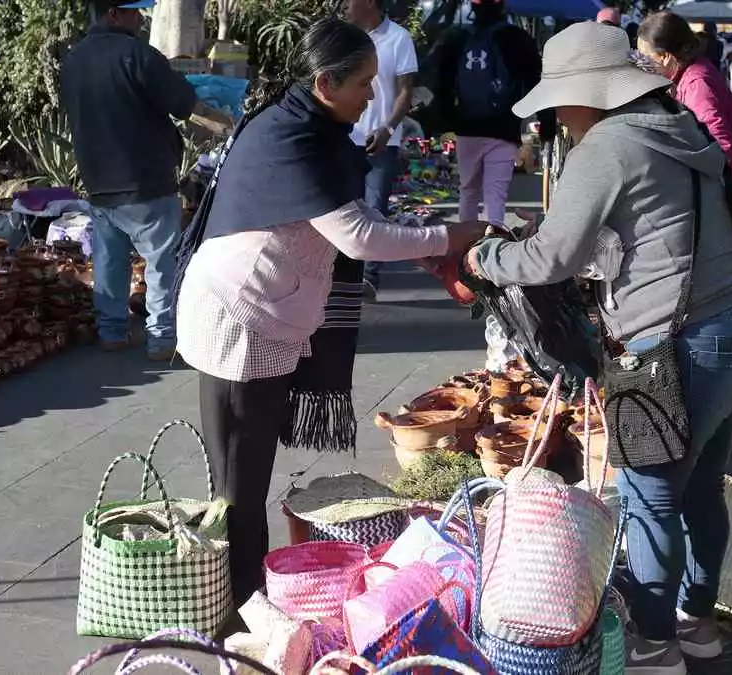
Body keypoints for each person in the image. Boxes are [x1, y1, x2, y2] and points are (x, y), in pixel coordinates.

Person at [462, 22, 732, 674]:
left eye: (559, 101)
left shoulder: (605, 146)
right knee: (701, 491)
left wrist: (485, 255)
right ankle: (698, 624)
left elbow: (551, 255)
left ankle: (657, 645)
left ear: (590, 92)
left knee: (650, 499)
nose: (556, 116)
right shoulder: (676, 125)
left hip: (678, 347)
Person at [174, 18, 485, 609]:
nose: (372, 94)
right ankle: (243, 612)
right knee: (240, 482)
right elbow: (360, 237)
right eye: (364, 83)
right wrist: (451, 236)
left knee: (240, 477)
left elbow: (344, 227)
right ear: (325, 82)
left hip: (252, 308)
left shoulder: (304, 126)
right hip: (239, 319)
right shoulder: (295, 138)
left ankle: (242, 600)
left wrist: (425, 251)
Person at [60, 0, 196, 360]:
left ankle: (113, 332)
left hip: (98, 178)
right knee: (161, 262)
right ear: (113, 13)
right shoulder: (138, 55)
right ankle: (163, 340)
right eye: (135, 12)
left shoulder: (73, 60)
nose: (140, 18)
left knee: (109, 261)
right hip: (145, 178)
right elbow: (182, 102)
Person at [437, 0, 555, 228]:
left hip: (467, 129)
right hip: (504, 129)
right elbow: (536, 83)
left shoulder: (457, 38)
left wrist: (452, 119)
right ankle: (491, 246)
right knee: (496, 195)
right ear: (502, 7)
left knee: (468, 191)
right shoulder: (518, 38)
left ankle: (464, 244)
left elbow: (442, 85)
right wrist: (546, 123)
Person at [344, 0, 419, 300]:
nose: (344, 5)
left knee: (374, 208)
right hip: (346, 138)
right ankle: (345, 274)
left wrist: (388, 129)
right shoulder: (346, 39)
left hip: (382, 142)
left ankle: (369, 277)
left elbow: (405, 92)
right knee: (345, 206)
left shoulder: (399, 38)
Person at [638, 11, 732, 190]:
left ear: (666, 57)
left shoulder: (696, 85)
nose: (641, 65)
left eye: (645, 58)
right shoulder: (689, 72)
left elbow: (724, 147)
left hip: (724, 193)